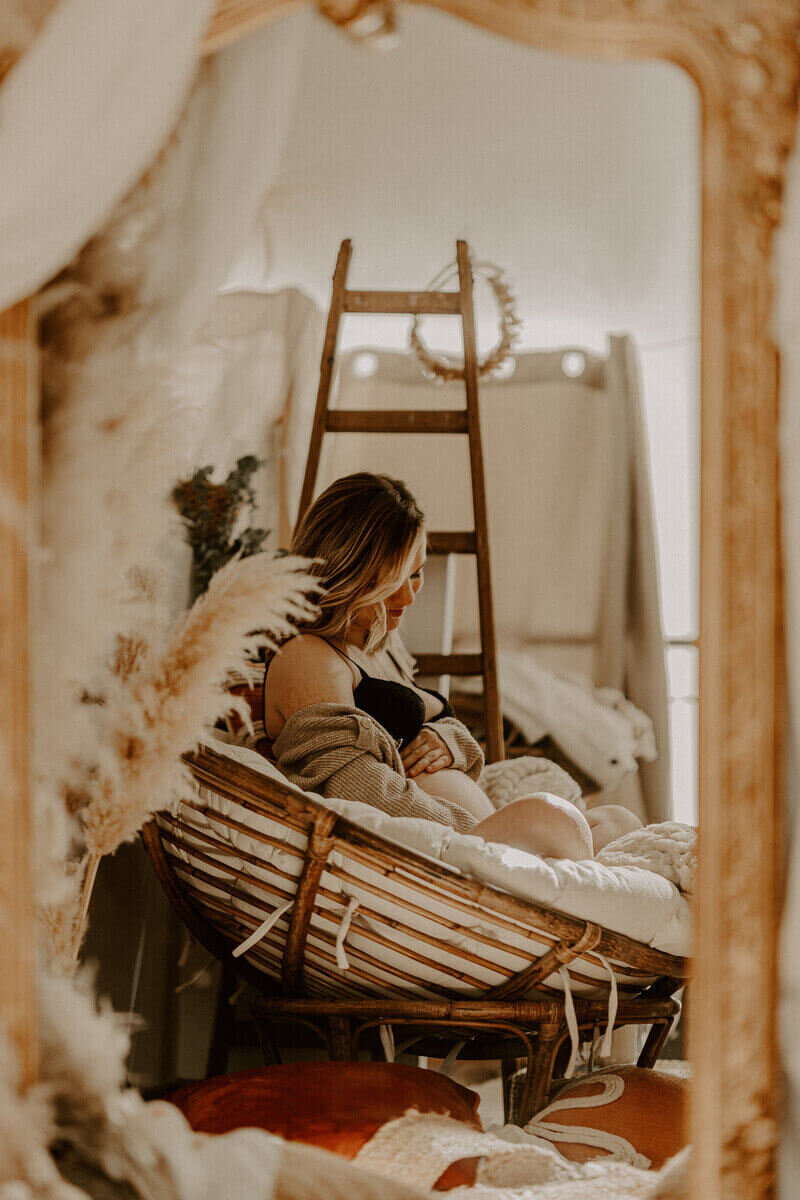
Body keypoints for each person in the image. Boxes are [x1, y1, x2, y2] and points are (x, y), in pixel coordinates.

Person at [264, 472, 640, 860]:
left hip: (479, 833)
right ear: (349, 570)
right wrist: (475, 834)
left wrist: (450, 742)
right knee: (552, 820)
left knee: (619, 821)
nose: (409, 597)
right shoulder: (308, 658)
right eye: (395, 579)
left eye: (417, 574)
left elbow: (447, 736)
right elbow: (360, 792)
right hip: (444, 849)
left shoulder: (379, 645)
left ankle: (563, 865)